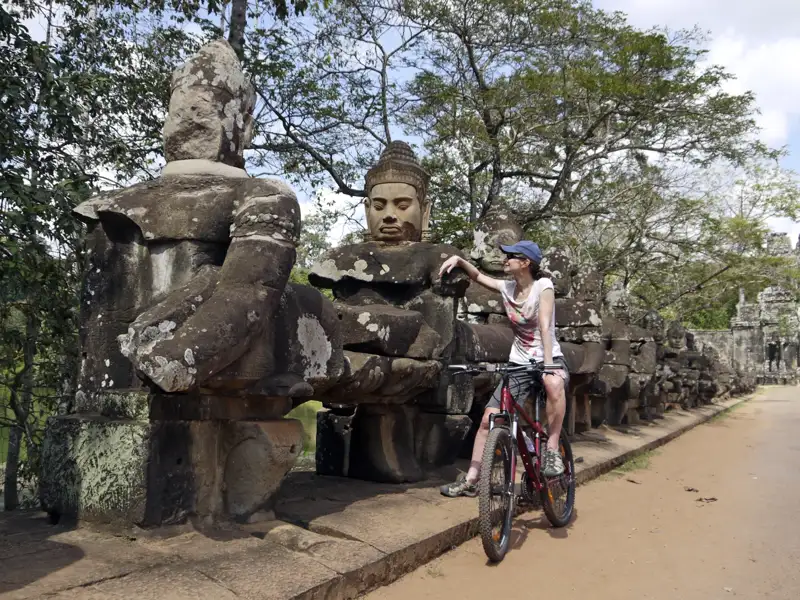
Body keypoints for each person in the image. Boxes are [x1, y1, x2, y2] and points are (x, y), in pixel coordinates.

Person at [438, 240, 570, 497]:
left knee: (554, 383)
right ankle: (473, 479)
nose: (505, 258)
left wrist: (548, 364)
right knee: (488, 420)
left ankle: (552, 449)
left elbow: (544, 325)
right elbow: (478, 276)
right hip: (519, 364)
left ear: (526, 262)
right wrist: (460, 261)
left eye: (511, 255)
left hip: (548, 358)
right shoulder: (507, 287)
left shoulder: (543, 286)